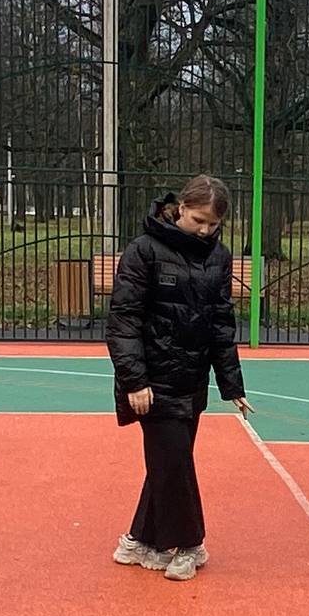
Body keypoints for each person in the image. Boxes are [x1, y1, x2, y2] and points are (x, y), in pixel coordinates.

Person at [107, 176, 253, 581]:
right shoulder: (144, 250)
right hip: (152, 382)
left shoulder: (218, 257)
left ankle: (140, 538)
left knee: (167, 464)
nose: (205, 230)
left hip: (192, 380)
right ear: (180, 208)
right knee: (173, 463)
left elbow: (221, 323)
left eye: (213, 224)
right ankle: (191, 544)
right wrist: (135, 381)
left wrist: (232, 385)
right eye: (199, 220)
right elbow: (123, 321)